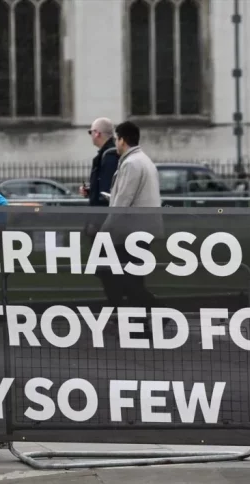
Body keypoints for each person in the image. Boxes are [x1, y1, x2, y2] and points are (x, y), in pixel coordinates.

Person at [93, 121, 162, 338]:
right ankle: (142, 325)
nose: (116, 143)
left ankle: (156, 313)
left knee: (123, 277)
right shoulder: (144, 160)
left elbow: (122, 202)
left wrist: (104, 231)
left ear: (122, 140)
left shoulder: (131, 164)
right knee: (132, 277)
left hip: (130, 231)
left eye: (116, 139)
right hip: (142, 228)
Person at [81, 117, 119, 206]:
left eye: (90, 132)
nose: (90, 135)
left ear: (97, 133)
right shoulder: (109, 153)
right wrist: (91, 191)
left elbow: (106, 192)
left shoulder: (110, 155)